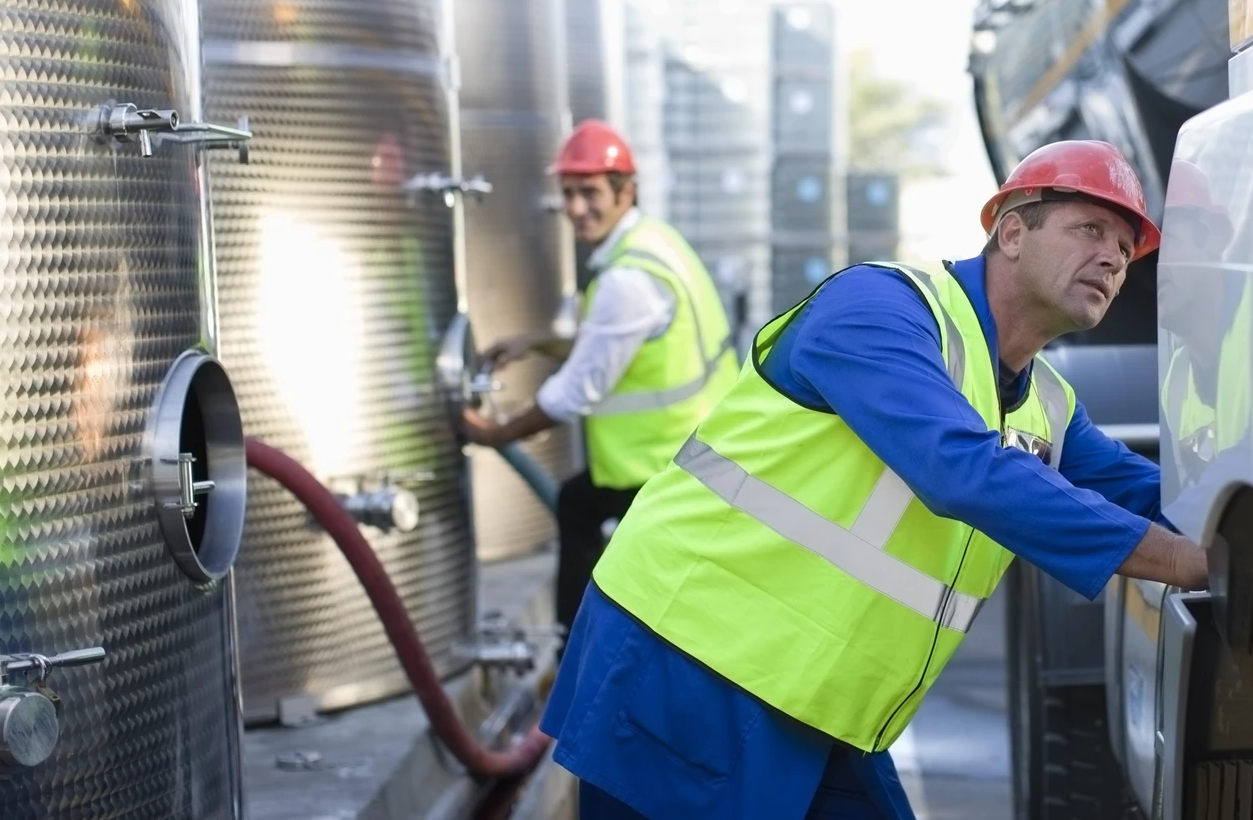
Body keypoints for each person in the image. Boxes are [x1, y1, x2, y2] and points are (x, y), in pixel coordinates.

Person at [540, 140, 1211, 820]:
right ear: (1011, 229)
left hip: (815, 698)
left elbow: (1158, 494)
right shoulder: (878, 308)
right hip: (686, 663)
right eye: (1090, 229)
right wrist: (1183, 560)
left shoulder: (1048, 406)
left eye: (1126, 249)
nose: (1112, 257)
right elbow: (961, 470)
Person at [461, 120, 737, 633]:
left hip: (666, 462)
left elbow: (575, 392)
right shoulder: (656, 243)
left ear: (624, 190)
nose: (575, 207)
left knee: (579, 511)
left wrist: (492, 435)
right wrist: (537, 342)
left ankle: (576, 653)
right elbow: (621, 345)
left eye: (589, 192)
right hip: (704, 449)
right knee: (585, 512)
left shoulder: (627, 280)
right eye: (567, 194)